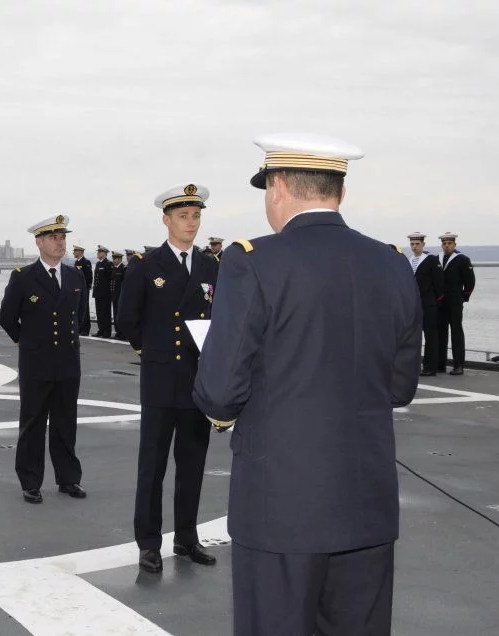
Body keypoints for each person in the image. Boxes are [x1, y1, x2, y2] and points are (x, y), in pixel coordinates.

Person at [193, 133, 422, 636]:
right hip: (367, 506)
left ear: (277, 186)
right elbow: (400, 387)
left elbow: (220, 392)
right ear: (340, 191)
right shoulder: (390, 262)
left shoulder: (253, 260)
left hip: (281, 509)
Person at [115, 183, 219, 573]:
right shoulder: (146, 265)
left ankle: (187, 538)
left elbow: (220, 316)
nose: (191, 223)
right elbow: (127, 319)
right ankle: (148, 544)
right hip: (161, 380)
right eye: (183, 216)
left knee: (192, 465)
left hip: (196, 380)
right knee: (153, 467)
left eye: (196, 216)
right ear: (166, 220)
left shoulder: (210, 265)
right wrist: (153, 352)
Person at [0, 215, 87, 504]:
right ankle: (30, 481)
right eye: (53, 238)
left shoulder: (75, 276)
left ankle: (68, 478)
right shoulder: (23, 277)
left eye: (63, 237)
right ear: (39, 242)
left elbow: (80, 317)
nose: (60, 243)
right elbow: (7, 317)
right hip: (36, 364)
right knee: (33, 423)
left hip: (68, 363)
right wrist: (27, 342)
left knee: (66, 423)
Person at [437, 232, 476, 375]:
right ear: (442, 245)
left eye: (449, 244)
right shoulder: (437, 258)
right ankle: (440, 364)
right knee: (440, 333)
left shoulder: (462, 259)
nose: (446, 246)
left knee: (456, 333)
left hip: (455, 302)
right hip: (441, 302)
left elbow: (470, 281)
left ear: (454, 244)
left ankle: (458, 365)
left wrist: (464, 297)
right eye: (444, 244)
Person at [408, 232, 444, 376]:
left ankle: (430, 367)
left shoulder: (431, 260)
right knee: (413, 336)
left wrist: (436, 301)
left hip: (428, 304)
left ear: (423, 244)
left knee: (430, 336)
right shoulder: (410, 260)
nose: (414, 246)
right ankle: (415, 365)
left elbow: (439, 283)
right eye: (412, 244)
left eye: (417, 244)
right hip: (414, 304)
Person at [92, 246, 113, 337]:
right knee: (99, 313)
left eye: (99, 252)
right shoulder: (98, 264)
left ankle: (107, 332)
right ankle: (101, 330)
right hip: (98, 292)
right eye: (98, 252)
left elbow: (110, 279)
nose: (98, 253)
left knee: (105, 313)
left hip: (105, 293)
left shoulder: (108, 264)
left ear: (104, 253)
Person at [72, 245, 93, 335]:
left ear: (80, 252)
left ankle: (85, 329)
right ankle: (79, 327)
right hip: (77, 290)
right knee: (79, 308)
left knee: (85, 308)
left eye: (75, 251)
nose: (73, 253)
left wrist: (86, 288)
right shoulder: (76, 262)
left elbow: (89, 276)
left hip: (84, 289)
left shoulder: (86, 262)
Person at [110, 252, 126, 340]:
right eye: (113, 259)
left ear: (119, 259)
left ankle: (122, 333)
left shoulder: (123, 269)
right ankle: (118, 332)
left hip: (120, 296)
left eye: (115, 259)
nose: (113, 260)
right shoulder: (114, 268)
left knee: (120, 315)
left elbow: (124, 284)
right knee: (115, 314)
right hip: (114, 295)